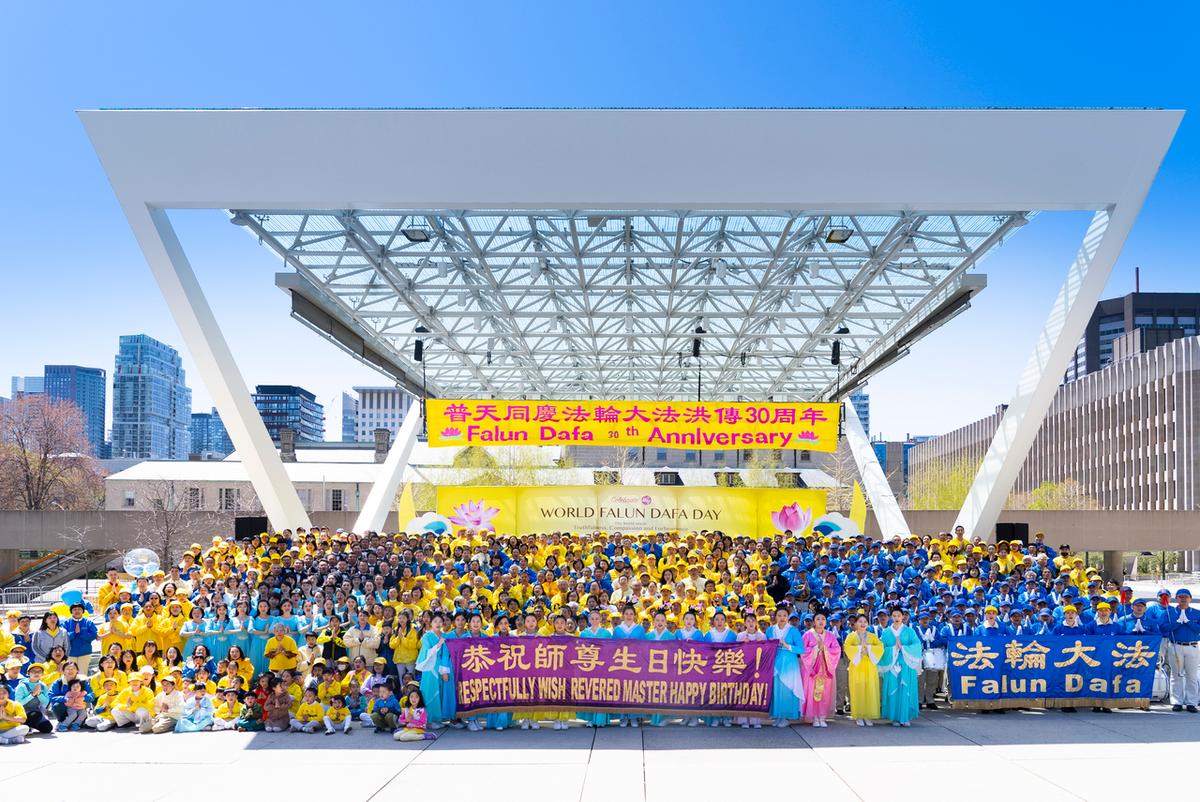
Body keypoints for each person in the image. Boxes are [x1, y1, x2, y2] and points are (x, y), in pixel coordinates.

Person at [879, 608, 921, 727]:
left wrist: (903, 648)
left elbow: (917, 645)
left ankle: (905, 716)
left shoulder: (909, 631)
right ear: (891, 617)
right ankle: (895, 717)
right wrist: (893, 649)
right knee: (893, 689)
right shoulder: (886, 632)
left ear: (903, 617)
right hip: (892, 663)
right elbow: (882, 648)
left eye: (899, 615)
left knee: (905, 688)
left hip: (906, 663)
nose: (896, 618)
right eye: (894, 615)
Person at [1161, 588, 1200, 713]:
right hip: (1176, 646)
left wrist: (1188, 622)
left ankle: (1191, 702)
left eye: (1185, 597)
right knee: (1176, 675)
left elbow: (1198, 629)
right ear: (1176, 599)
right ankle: (1177, 701)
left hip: (1192, 646)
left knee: (1192, 676)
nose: (1183, 599)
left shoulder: (1196, 613)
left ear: (1190, 598)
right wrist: (1177, 623)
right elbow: (1164, 629)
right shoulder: (1170, 613)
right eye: (1180, 597)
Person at [765, 607, 805, 727]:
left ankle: (786, 716)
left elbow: (801, 649)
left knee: (787, 689)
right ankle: (777, 715)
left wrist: (787, 646)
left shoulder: (793, 630)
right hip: (774, 662)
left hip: (789, 663)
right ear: (775, 617)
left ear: (787, 618)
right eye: (779, 615)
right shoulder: (770, 630)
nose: (782, 618)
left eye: (784, 616)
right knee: (776, 689)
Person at [800, 612, 840, 727]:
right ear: (813, 622)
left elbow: (837, 650)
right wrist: (816, 648)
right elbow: (803, 650)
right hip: (812, 669)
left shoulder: (830, 635)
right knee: (811, 691)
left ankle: (822, 716)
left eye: (823, 619)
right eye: (818, 619)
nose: (821, 621)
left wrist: (825, 649)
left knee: (825, 691)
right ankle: (813, 716)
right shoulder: (807, 635)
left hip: (825, 668)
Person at [844, 614, 883, 727]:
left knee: (870, 688)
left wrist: (869, 649)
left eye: (864, 621)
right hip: (857, 665)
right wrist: (860, 649)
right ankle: (859, 715)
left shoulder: (872, 636)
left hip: (869, 665)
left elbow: (880, 646)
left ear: (868, 623)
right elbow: (847, 647)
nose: (862, 623)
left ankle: (868, 715)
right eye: (860, 621)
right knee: (858, 689)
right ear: (855, 623)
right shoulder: (851, 636)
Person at [415, 613, 453, 728]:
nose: (438, 624)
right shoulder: (427, 636)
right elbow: (426, 652)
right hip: (430, 667)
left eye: (440, 621)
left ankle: (439, 717)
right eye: (435, 621)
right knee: (430, 691)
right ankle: (429, 719)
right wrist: (438, 645)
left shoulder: (445, 635)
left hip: (442, 666)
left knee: (441, 691)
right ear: (431, 623)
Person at [64, 603, 98, 676]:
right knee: (70, 674)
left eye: (79, 609)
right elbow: (64, 637)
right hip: (70, 653)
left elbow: (93, 635)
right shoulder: (66, 623)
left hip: (84, 653)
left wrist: (81, 634)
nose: (77, 611)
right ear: (71, 611)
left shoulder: (88, 622)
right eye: (75, 609)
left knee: (82, 675)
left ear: (83, 611)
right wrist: (74, 633)